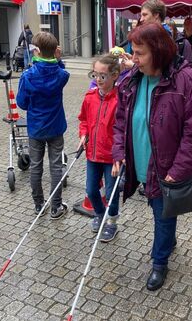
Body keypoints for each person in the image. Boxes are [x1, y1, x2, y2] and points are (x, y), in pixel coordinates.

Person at [112, 22, 192, 291]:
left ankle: (160, 262)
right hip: (139, 163)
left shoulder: (187, 80)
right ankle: (167, 243)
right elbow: (120, 121)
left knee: (162, 216)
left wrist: (177, 171)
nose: (133, 59)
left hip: (167, 168)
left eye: (139, 53)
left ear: (158, 52)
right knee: (165, 215)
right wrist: (119, 152)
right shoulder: (133, 78)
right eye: (133, 52)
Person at [16, 32, 69, 219]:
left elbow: (21, 103)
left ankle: (39, 205)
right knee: (56, 167)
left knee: (36, 167)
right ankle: (56, 207)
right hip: (55, 127)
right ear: (55, 51)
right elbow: (62, 71)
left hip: (36, 129)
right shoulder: (62, 74)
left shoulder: (28, 76)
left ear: (37, 51)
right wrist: (59, 60)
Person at [78, 54, 121, 242]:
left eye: (102, 76)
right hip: (92, 154)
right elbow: (84, 120)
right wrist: (83, 134)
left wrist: (119, 157)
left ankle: (111, 222)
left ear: (114, 76)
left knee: (111, 194)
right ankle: (99, 214)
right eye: (94, 75)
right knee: (91, 190)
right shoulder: (89, 97)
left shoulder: (121, 100)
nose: (98, 79)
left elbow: (123, 130)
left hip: (111, 157)